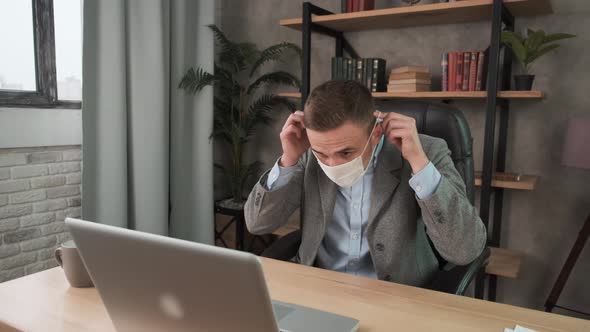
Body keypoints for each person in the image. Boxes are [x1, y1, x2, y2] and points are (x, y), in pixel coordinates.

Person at [244, 80, 486, 286]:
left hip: (399, 295)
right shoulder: (306, 153)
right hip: (319, 287)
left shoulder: (427, 150)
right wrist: (289, 160)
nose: (333, 163)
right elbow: (257, 224)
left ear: (376, 133)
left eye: (346, 153)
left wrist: (418, 163)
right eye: (322, 153)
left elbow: (465, 250)